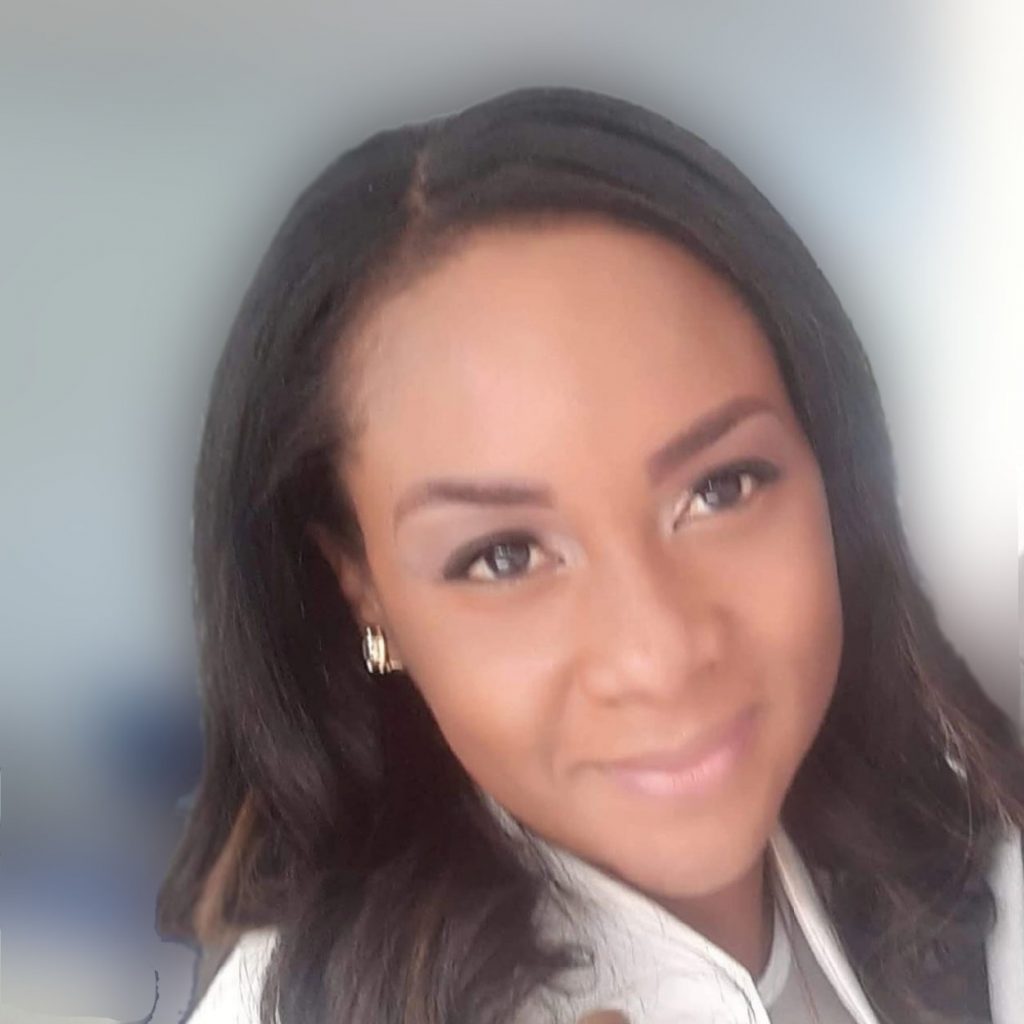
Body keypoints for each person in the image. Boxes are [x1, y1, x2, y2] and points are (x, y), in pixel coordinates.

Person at [157, 86, 1024, 1024]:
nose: (657, 654)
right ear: (362, 587)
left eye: (721, 488)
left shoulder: (963, 852)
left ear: (831, 464)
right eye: (503, 556)